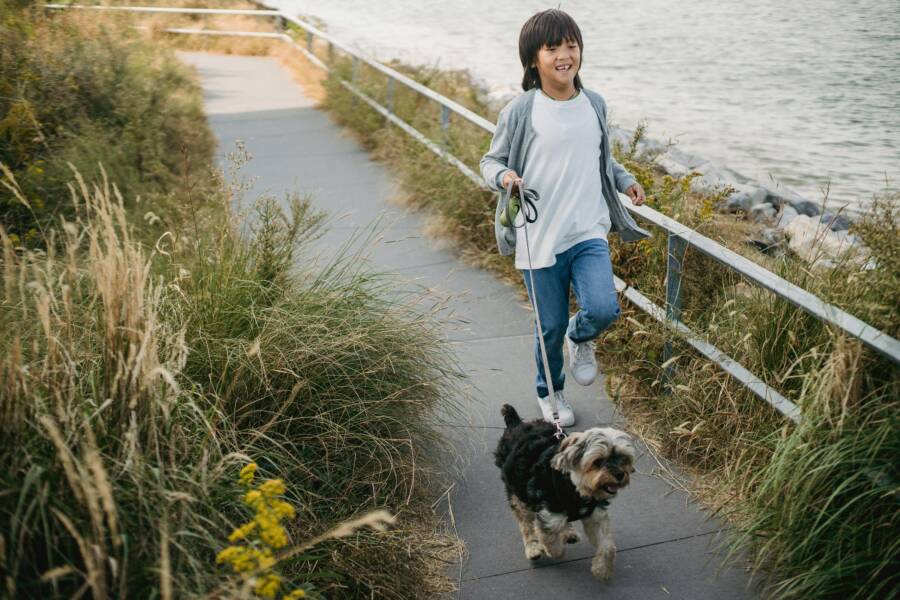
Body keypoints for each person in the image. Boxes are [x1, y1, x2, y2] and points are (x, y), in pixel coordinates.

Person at [479, 8, 649, 427]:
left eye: (570, 45)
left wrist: (626, 180)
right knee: (548, 328)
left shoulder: (594, 103)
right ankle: (550, 392)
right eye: (552, 47)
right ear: (533, 59)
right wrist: (504, 176)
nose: (564, 55)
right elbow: (490, 160)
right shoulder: (521, 110)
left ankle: (582, 335)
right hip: (539, 236)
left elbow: (602, 156)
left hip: (587, 230)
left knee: (604, 309)